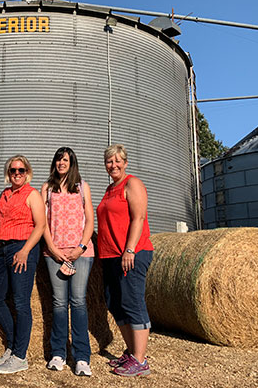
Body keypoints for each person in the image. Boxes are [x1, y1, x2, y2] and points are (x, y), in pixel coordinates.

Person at [96, 144, 154, 377]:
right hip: (110, 255)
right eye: (110, 161)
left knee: (132, 302)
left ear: (126, 163)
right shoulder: (110, 189)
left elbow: (138, 218)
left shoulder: (132, 184)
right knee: (114, 302)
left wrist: (129, 250)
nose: (114, 165)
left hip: (131, 253)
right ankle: (131, 352)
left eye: (118, 161)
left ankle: (140, 361)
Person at [0, 155, 46, 374]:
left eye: (21, 170)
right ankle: (12, 346)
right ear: (8, 173)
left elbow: (40, 225)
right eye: (13, 170)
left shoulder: (32, 194)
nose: (17, 174)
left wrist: (25, 250)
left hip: (23, 248)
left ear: (27, 172)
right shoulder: (5, 194)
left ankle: (20, 357)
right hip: (3, 250)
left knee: (20, 303)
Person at [41, 147, 95, 377]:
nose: (61, 163)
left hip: (81, 253)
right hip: (54, 254)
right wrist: (53, 249)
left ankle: (82, 357)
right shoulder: (47, 188)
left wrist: (80, 247)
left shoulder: (82, 187)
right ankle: (58, 354)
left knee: (79, 302)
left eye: (66, 160)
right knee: (59, 303)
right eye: (58, 159)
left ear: (72, 163)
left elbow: (90, 220)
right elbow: (42, 222)